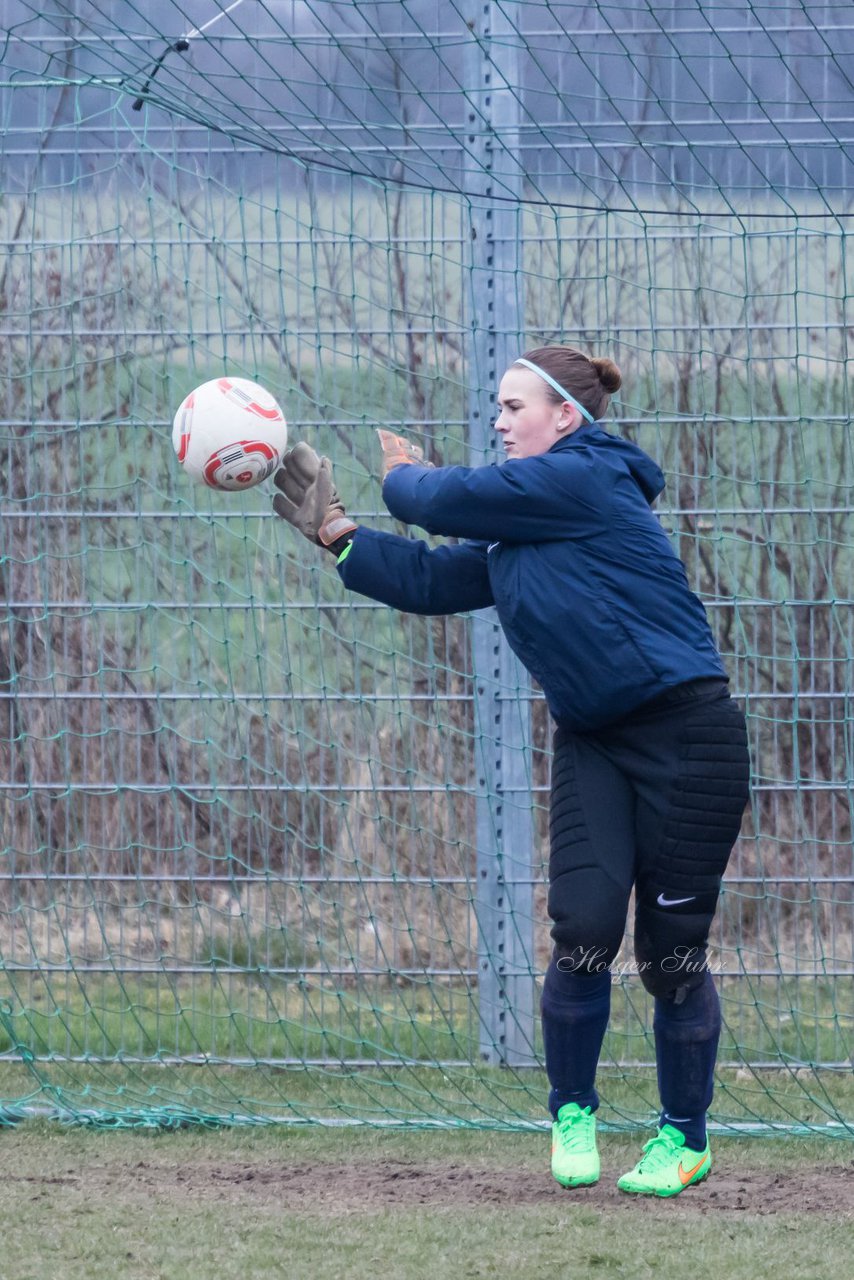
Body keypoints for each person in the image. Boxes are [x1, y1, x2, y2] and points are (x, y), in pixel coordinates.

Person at [271, 346, 751, 1198]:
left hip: (688, 741)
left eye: (512, 406)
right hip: (595, 744)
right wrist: (339, 538)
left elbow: (436, 498)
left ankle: (685, 1137)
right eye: (497, 407)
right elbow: (430, 576)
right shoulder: (528, 524)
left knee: (669, 955)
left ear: (565, 417)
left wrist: (403, 473)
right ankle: (574, 1115)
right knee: (583, 932)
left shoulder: (587, 480)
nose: (499, 421)